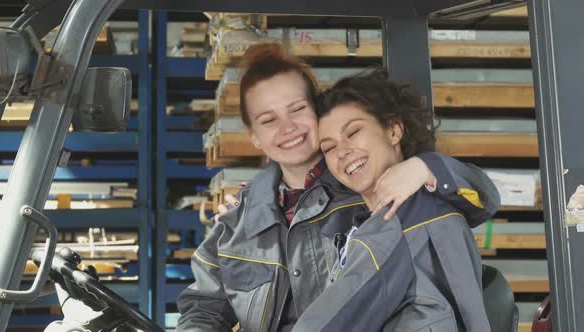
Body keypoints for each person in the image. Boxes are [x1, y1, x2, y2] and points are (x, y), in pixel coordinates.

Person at [176, 44, 499, 332]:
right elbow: (203, 307)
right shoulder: (238, 222)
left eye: (298, 109)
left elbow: (479, 197)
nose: (287, 128)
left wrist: (426, 165)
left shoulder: (374, 192)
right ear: (255, 136)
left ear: (318, 112)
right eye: (268, 119)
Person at [293, 69, 490, 332]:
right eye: (329, 148)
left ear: (394, 132)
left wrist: (425, 166)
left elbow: (329, 322)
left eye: (353, 133)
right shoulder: (423, 204)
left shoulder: (400, 221)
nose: (342, 152)